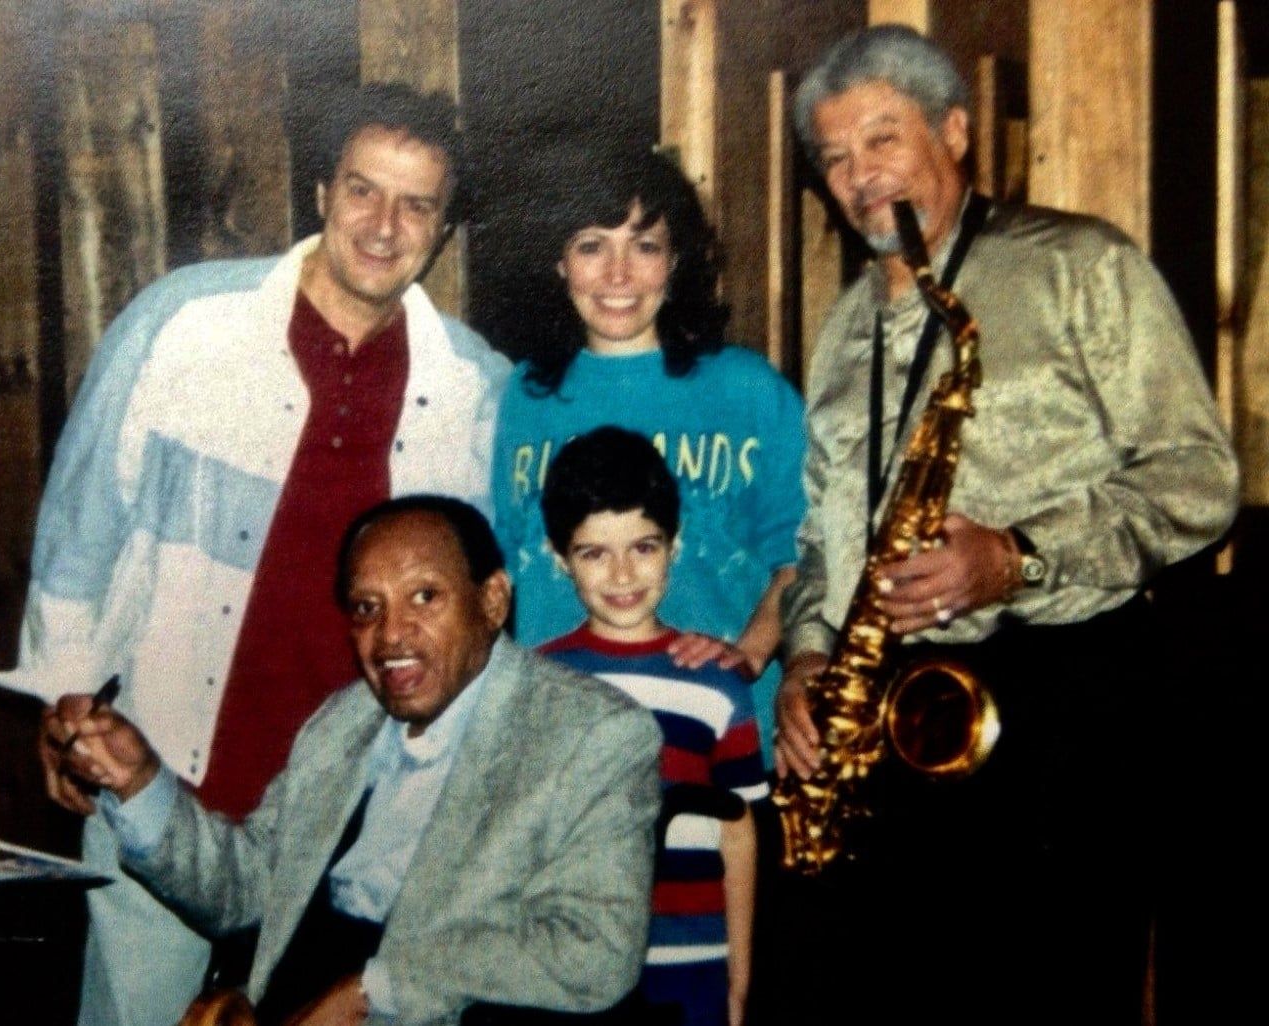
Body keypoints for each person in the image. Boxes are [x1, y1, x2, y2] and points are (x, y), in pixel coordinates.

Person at [0, 85, 510, 1026]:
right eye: (363, 189)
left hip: (359, 820)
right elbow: (81, 527)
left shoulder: (473, 386)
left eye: (416, 205)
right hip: (161, 778)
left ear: (443, 230)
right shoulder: (184, 324)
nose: (383, 226)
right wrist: (63, 704)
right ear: (322, 191)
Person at [770, 24, 1239, 1026]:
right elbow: (820, 541)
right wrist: (808, 657)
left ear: (954, 131)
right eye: (835, 157)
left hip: (1063, 703)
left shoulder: (1079, 265)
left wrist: (1017, 556)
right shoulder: (844, 326)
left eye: (882, 139)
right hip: (893, 719)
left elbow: (1199, 478)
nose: (858, 177)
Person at [43, 495, 661, 1026]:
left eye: (424, 597)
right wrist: (139, 782)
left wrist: (376, 988)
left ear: (492, 600)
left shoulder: (591, 735)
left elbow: (594, 951)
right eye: (367, 608)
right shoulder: (345, 721)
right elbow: (249, 889)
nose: (391, 634)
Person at [491, 147, 806, 764]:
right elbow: (503, 569)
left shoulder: (748, 390)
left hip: (716, 741)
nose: (619, 275)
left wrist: (749, 654)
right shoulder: (523, 397)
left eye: (644, 246)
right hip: (565, 751)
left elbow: (805, 555)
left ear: (675, 259)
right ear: (558, 263)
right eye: (591, 246)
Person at [537, 427, 768, 1026]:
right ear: (560, 558)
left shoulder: (717, 684)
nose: (622, 575)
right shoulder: (537, 683)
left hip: (697, 968)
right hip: (576, 970)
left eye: (643, 547)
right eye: (594, 553)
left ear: (674, 544)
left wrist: (740, 981)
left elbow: (740, 834)